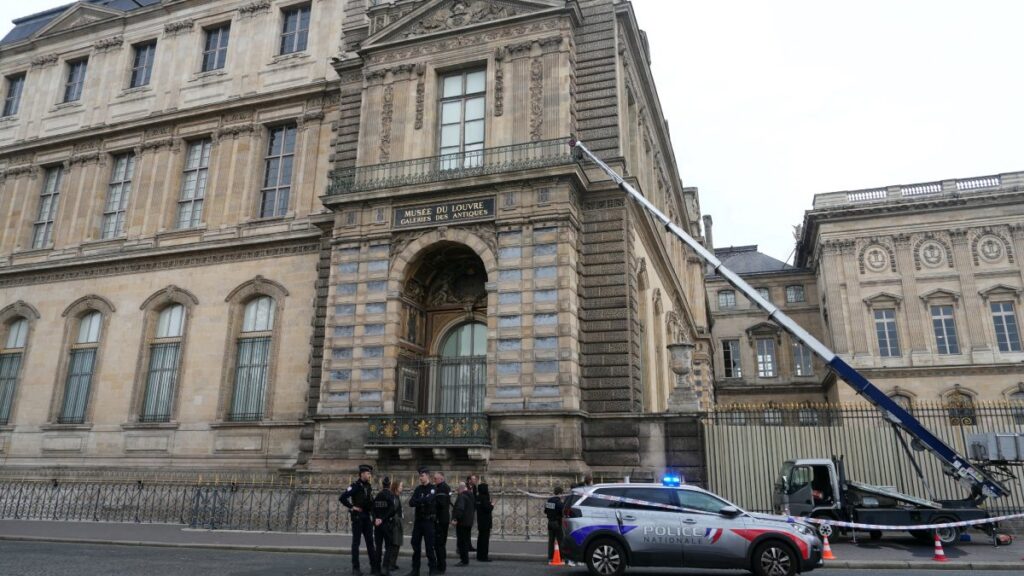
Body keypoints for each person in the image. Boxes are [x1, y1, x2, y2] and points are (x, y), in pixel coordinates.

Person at [341, 464, 378, 576]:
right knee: (356, 543)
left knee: (370, 543)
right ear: (362, 474)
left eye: (370, 473)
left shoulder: (368, 486)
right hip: (358, 517)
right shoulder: (355, 486)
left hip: (366, 517)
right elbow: (342, 497)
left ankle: (374, 567)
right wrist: (352, 507)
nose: (369, 475)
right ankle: (355, 568)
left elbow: (370, 502)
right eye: (368, 473)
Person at [406, 468, 438, 576]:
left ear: (428, 476)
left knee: (429, 547)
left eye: (422, 475)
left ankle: (432, 569)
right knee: (415, 546)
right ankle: (415, 570)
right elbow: (411, 502)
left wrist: (418, 501)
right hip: (419, 521)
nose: (420, 478)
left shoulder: (433, 488)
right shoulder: (418, 489)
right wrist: (422, 501)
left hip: (428, 521)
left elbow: (429, 500)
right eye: (420, 476)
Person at [373, 476, 400, 576]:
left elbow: (373, 509)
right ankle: (385, 567)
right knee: (388, 547)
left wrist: (376, 519)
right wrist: (383, 519)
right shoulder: (391, 496)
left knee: (378, 547)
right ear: (390, 485)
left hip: (377, 525)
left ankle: (376, 568)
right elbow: (392, 510)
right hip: (387, 524)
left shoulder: (378, 495)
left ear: (382, 485)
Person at [451, 482, 475, 566]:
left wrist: (455, 518)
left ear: (460, 489)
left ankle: (464, 560)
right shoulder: (471, 496)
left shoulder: (462, 496)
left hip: (462, 522)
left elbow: (460, 509)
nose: (457, 492)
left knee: (462, 542)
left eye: (458, 490)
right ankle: (465, 560)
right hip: (468, 522)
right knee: (465, 541)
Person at [432, 472, 452, 574]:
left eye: (435, 479)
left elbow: (441, 504)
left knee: (439, 544)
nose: (434, 480)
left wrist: (432, 500)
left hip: (440, 519)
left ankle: (441, 566)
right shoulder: (445, 487)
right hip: (443, 519)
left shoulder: (442, 488)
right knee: (440, 544)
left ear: (441, 478)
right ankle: (441, 564)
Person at [385, 480, 405, 574]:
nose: (402, 488)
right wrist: (396, 520)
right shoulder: (393, 497)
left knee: (397, 544)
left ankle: (393, 563)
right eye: (401, 486)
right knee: (394, 544)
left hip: (398, 523)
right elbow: (391, 511)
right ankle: (390, 564)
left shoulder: (397, 497)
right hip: (395, 524)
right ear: (396, 487)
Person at [474, 481, 493, 562]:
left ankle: (479, 555)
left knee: (480, 539)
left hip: (480, 520)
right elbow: (487, 508)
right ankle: (484, 556)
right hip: (485, 521)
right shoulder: (484, 497)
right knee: (484, 540)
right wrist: (492, 505)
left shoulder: (478, 497)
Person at [545, 486, 565, 562]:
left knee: (551, 541)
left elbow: (545, 511)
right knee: (560, 540)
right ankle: (562, 557)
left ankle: (550, 557)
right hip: (557, 523)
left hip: (550, 522)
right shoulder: (559, 503)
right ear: (560, 493)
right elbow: (562, 512)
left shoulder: (549, 501)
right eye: (562, 494)